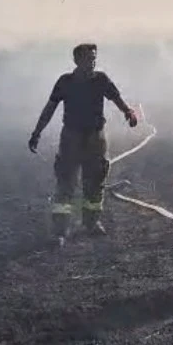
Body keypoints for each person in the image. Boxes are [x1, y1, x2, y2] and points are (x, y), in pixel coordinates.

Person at [29, 43, 138, 247]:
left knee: (95, 181)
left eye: (94, 58)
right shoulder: (65, 82)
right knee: (66, 183)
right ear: (77, 60)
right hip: (71, 137)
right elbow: (50, 108)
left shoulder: (101, 80)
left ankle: (91, 223)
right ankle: (60, 230)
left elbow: (116, 98)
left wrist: (128, 112)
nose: (92, 62)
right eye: (88, 58)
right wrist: (37, 132)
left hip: (96, 137)